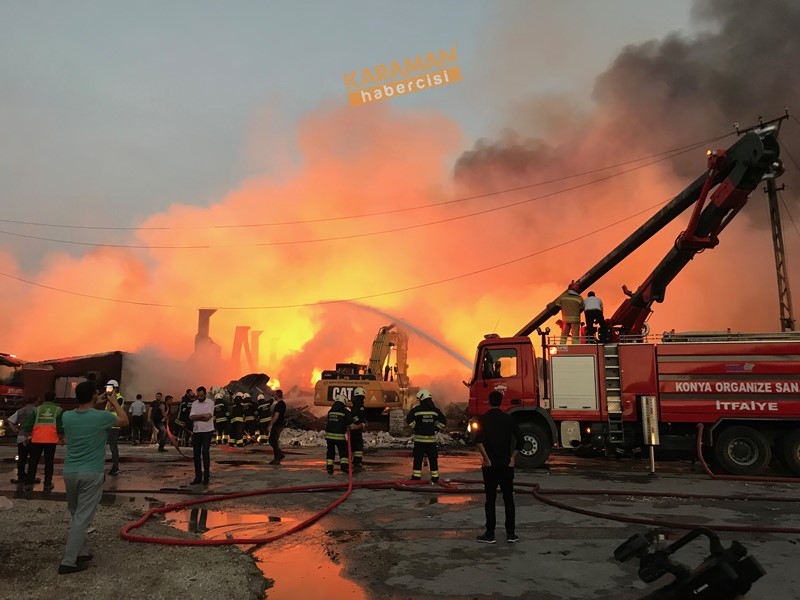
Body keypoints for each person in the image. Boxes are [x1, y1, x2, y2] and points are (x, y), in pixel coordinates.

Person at [58, 380, 128, 574]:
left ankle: (82, 551)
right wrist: (113, 402)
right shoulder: (102, 417)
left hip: (70, 472)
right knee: (82, 518)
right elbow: (124, 420)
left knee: (76, 513)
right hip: (91, 473)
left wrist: (94, 400)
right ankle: (68, 561)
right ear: (94, 397)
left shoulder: (67, 416)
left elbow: (85, 412)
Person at [475, 390, 524, 544]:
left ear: (489, 401)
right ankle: (511, 534)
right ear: (501, 402)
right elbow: (521, 440)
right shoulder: (509, 419)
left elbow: (478, 441)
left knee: (490, 500)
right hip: (506, 466)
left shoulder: (483, 419)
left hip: (490, 467)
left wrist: (486, 459)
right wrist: (513, 458)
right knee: (508, 499)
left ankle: (490, 534)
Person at [22, 390, 63, 492]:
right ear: (54, 398)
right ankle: (47, 484)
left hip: (37, 439)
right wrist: (62, 437)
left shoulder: (37, 409)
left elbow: (29, 424)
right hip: (51, 439)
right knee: (49, 463)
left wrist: (26, 436)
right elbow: (60, 426)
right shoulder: (58, 410)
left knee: (33, 462)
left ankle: (28, 483)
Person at [406, 389, 447, 483]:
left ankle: (416, 477)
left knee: (418, 459)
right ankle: (435, 478)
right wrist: (436, 429)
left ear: (422, 399)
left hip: (419, 441)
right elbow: (443, 421)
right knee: (433, 459)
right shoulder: (435, 410)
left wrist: (415, 427)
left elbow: (409, 418)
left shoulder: (416, 410)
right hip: (431, 441)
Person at [7, 396, 37, 485]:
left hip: (21, 436)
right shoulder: (36, 410)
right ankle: (30, 477)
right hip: (32, 436)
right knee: (33, 459)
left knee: (22, 458)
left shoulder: (21, 410)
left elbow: (10, 420)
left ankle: (21, 476)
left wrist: (15, 429)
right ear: (35, 401)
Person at [189, 386, 214, 486]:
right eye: (198, 395)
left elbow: (208, 417)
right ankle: (198, 477)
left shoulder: (210, 403)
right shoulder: (194, 403)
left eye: (201, 395)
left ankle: (206, 477)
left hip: (207, 431)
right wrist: (202, 416)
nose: (199, 397)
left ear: (205, 394)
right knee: (196, 455)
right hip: (197, 431)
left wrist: (197, 417)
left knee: (205, 453)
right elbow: (191, 417)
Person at [324, 394, 352, 474]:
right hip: (339, 436)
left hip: (329, 436)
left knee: (330, 451)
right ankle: (344, 466)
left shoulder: (330, 411)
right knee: (343, 450)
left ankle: (329, 468)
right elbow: (350, 421)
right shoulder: (344, 411)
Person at [102, 379, 125, 476]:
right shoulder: (112, 398)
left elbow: (110, 408)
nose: (108, 390)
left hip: (114, 426)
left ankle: (115, 467)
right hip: (108, 425)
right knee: (104, 446)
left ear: (115, 388)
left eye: (110, 388)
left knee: (113, 447)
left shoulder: (118, 398)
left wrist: (109, 400)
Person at [349, 387, 367, 470]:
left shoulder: (357, 404)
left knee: (356, 445)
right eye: (362, 397)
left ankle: (355, 461)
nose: (363, 399)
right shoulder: (357, 404)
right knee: (358, 445)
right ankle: (357, 462)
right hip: (356, 428)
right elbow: (353, 415)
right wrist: (359, 423)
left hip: (356, 428)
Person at [267, 389, 286, 465]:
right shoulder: (283, 404)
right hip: (280, 424)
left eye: (274, 394)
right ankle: (279, 455)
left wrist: (270, 425)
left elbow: (276, 417)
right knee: (273, 440)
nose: (273, 396)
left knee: (273, 440)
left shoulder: (278, 405)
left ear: (277, 395)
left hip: (277, 425)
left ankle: (277, 458)